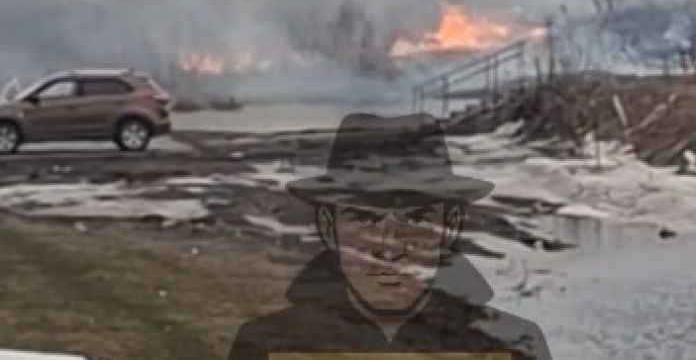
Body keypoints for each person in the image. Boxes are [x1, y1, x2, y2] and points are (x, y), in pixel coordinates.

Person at [227, 113, 551, 360]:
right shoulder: (268, 346)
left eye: (416, 219)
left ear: (451, 226)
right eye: (365, 219)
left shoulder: (512, 346)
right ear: (328, 227)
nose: (389, 248)